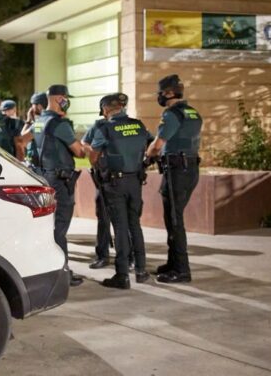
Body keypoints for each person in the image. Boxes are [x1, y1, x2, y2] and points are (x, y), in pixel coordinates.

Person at [89, 94, 153, 289]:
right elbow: (152, 145)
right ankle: (141, 270)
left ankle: (122, 275)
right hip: (135, 181)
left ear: (106, 110)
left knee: (120, 227)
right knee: (135, 225)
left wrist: (100, 164)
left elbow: (93, 155)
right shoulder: (138, 125)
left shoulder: (105, 128)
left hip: (115, 183)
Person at [146, 74, 203, 283]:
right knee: (174, 217)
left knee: (175, 221)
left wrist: (147, 156)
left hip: (177, 171)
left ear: (169, 93)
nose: (159, 97)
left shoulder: (171, 114)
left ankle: (182, 270)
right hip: (191, 169)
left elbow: (158, 144)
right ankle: (172, 263)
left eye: (160, 93)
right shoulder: (193, 112)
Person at [32, 84, 87, 287]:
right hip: (60, 181)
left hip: (45, 178)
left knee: (48, 227)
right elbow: (80, 152)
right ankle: (61, 273)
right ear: (58, 99)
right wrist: (86, 145)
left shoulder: (39, 122)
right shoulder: (59, 124)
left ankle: (45, 270)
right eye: (65, 97)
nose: (67, 101)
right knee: (59, 228)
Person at [81, 93, 128, 270]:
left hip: (116, 176)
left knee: (115, 217)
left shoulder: (124, 124)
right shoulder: (100, 125)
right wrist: (93, 150)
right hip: (108, 176)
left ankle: (118, 256)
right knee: (106, 215)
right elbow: (85, 142)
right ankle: (106, 254)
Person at [22, 92, 47, 165]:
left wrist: (28, 120)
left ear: (39, 106)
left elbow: (22, 138)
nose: (31, 108)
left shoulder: (40, 123)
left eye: (33, 105)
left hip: (36, 164)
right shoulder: (46, 120)